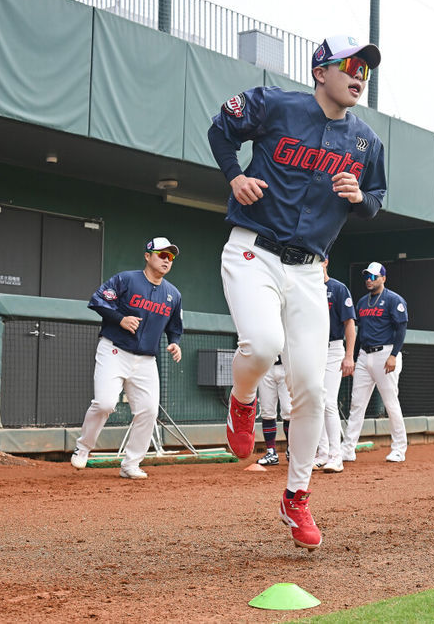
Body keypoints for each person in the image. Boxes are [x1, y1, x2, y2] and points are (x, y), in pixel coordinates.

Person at [208, 34, 386, 550]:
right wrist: (235, 176)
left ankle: (296, 497)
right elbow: (222, 129)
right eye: (351, 65)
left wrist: (362, 200)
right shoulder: (272, 104)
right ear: (320, 71)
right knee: (262, 345)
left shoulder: (365, 141)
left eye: (366, 70)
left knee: (312, 385)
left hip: (311, 271)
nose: (359, 75)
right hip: (253, 251)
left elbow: (375, 196)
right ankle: (242, 401)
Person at [71, 237, 183, 479]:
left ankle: (131, 463)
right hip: (114, 350)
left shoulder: (173, 294)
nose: (166, 260)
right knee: (105, 403)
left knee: (149, 411)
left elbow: (175, 326)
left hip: (146, 360)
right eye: (162, 254)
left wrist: (175, 342)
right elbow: (98, 300)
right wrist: (120, 318)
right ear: (147, 255)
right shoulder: (126, 279)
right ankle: (83, 448)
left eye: (170, 256)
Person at [340, 261, 409, 462]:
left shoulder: (393, 299)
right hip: (364, 355)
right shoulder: (362, 302)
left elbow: (401, 329)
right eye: (367, 277)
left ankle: (399, 448)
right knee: (357, 404)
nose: (369, 280)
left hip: (385, 353)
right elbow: (357, 331)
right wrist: (352, 356)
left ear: (383, 278)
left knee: (390, 402)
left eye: (373, 276)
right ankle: (347, 449)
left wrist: (394, 355)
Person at [314, 257, 357, 473]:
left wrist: (349, 356)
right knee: (315, 401)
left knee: (329, 401)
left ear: (325, 262)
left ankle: (335, 455)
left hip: (333, 348)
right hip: (312, 349)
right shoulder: (306, 289)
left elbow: (350, 323)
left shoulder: (338, 288)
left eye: (318, 260)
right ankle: (322, 453)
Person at [255, 356, 291, 466]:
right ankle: (271, 452)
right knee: (267, 411)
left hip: (287, 366)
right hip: (266, 366)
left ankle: (292, 450)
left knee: (288, 411)